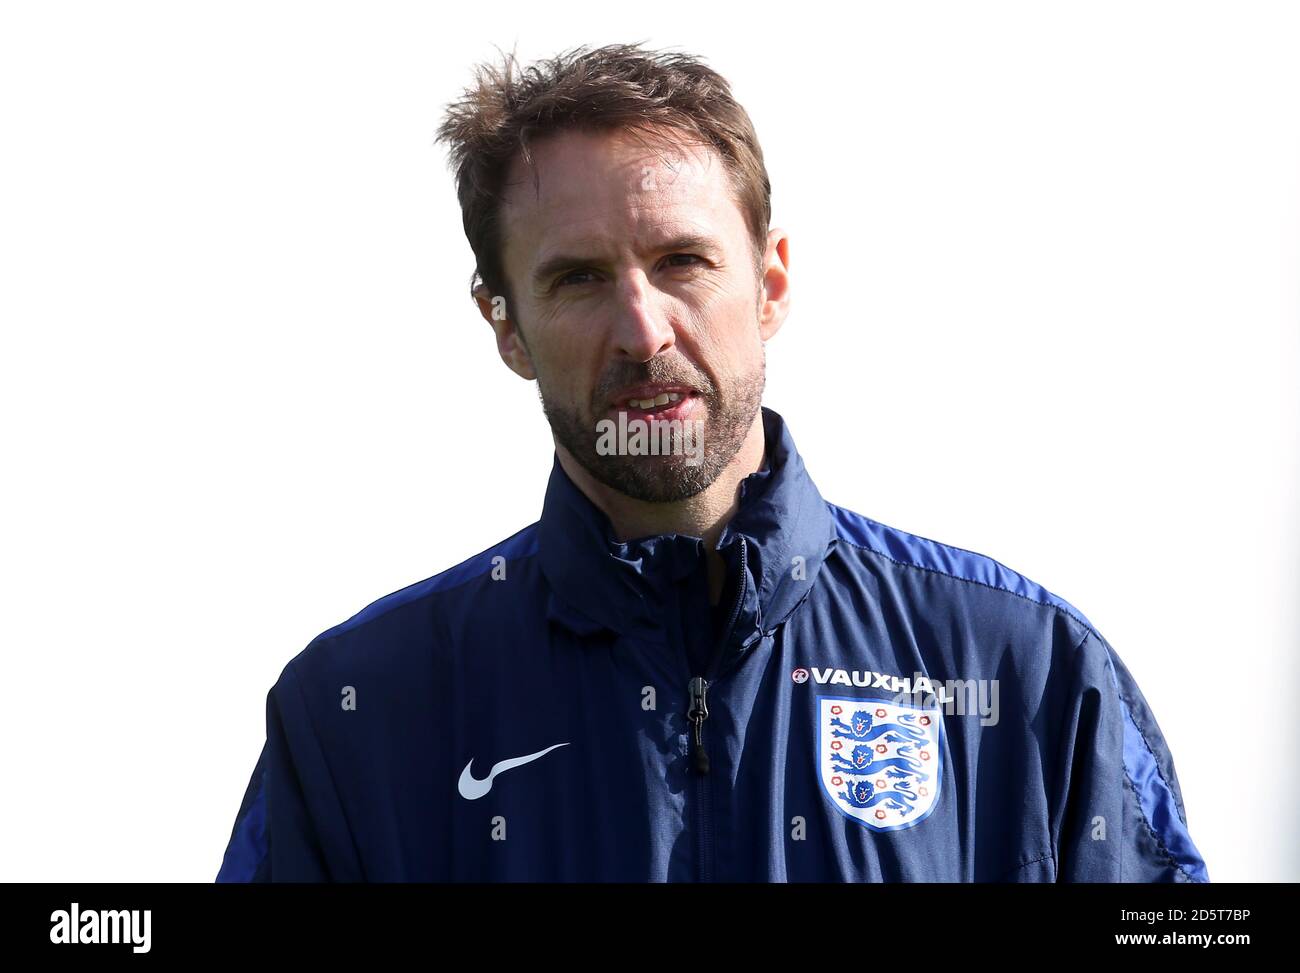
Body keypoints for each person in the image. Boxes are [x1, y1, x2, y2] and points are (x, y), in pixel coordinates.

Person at [216, 42, 1209, 882]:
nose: (643, 330)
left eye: (681, 262)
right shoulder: (356, 714)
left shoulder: (1024, 671)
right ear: (504, 325)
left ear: (770, 284)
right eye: (577, 278)